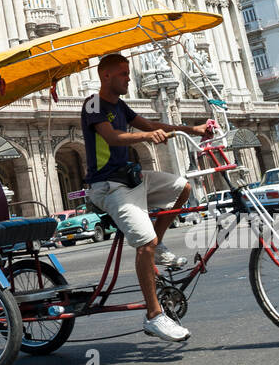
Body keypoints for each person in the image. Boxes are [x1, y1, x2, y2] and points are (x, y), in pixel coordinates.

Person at [82, 53, 213, 343]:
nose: (129, 78)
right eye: (123, 74)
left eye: (128, 73)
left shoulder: (121, 106)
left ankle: (159, 242)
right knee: (145, 244)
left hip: (131, 178)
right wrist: (146, 137)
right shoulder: (93, 104)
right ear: (106, 76)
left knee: (182, 188)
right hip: (107, 186)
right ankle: (154, 316)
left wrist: (192, 130)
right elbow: (112, 137)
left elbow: (151, 124)